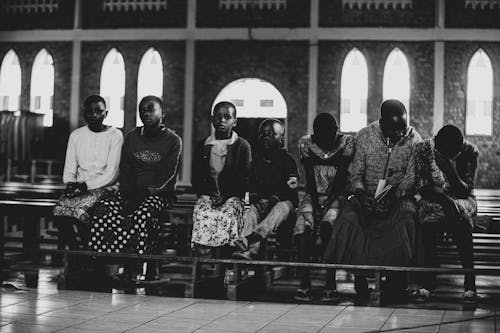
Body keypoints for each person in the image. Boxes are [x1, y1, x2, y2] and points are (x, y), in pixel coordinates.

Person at [323, 99, 421, 302]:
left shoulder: (414, 140)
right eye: (395, 130)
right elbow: (356, 172)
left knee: (404, 220)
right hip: (365, 195)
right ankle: (360, 278)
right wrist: (361, 195)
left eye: (403, 128)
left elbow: (411, 177)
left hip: (397, 196)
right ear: (382, 124)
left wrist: (392, 195)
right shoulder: (365, 136)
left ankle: (395, 280)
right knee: (349, 220)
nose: (400, 134)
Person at [88, 95, 181, 278]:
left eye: (151, 109)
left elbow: (168, 174)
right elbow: (126, 168)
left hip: (160, 194)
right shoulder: (132, 137)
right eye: (142, 110)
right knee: (102, 210)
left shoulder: (173, 140)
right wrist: (129, 194)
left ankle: (136, 264)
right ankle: (108, 262)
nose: (146, 113)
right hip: (130, 193)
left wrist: (144, 194)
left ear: (163, 113)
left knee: (143, 214)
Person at [293, 113, 355, 302]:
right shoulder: (306, 143)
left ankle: (330, 283)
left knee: (329, 226)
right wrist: (314, 203)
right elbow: (311, 178)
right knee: (304, 227)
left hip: (337, 197)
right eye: (320, 137)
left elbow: (341, 177)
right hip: (313, 195)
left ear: (336, 131)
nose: (325, 140)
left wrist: (327, 203)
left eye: (329, 135)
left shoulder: (347, 143)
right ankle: (305, 283)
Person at [414, 124, 478, 302]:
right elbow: (422, 186)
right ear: (437, 145)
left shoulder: (470, 152)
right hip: (433, 198)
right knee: (428, 218)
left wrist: (451, 171)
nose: (452, 155)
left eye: (455, 152)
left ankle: (469, 282)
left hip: (462, 199)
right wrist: (446, 201)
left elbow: (466, 191)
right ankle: (428, 280)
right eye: (447, 152)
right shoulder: (422, 149)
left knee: (462, 218)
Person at [54, 95, 123, 250]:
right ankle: (76, 250)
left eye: (98, 111)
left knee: (80, 213)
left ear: (106, 113)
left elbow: (111, 173)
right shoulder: (76, 135)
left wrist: (85, 186)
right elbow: (69, 168)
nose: (93, 115)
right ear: (84, 114)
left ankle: (88, 251)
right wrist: (71, 184)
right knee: (59, 212)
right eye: (89, 111)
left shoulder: (115, 135)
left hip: (105, 188)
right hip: (79, 187)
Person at [232, 118, 299, 261]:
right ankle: (249, 252)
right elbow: (251, 184)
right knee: (250, 213)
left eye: (271, 134)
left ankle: (249, 239)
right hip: (262, 203)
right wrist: (256, 198)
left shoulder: (288, 160)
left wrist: (274, 199)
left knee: (279, 208)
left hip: (284, 205)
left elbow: (290, 189)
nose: (265, 138)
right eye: (262, 134)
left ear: (281, 139)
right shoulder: (257, 160)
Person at [191, 101, 251, 254]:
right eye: (218, 117)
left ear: (234, 121)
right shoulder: (203, 145)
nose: (222, 121)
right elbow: (196, 177)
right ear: (213, 120)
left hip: (233, 197)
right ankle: (205, 256)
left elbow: (245, 178)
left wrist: (226, 196)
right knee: (202, 211)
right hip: (209, 196)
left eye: (227, 117)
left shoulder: (242, 146)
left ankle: (226, 259)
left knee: (228, 213)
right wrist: (208, 194)